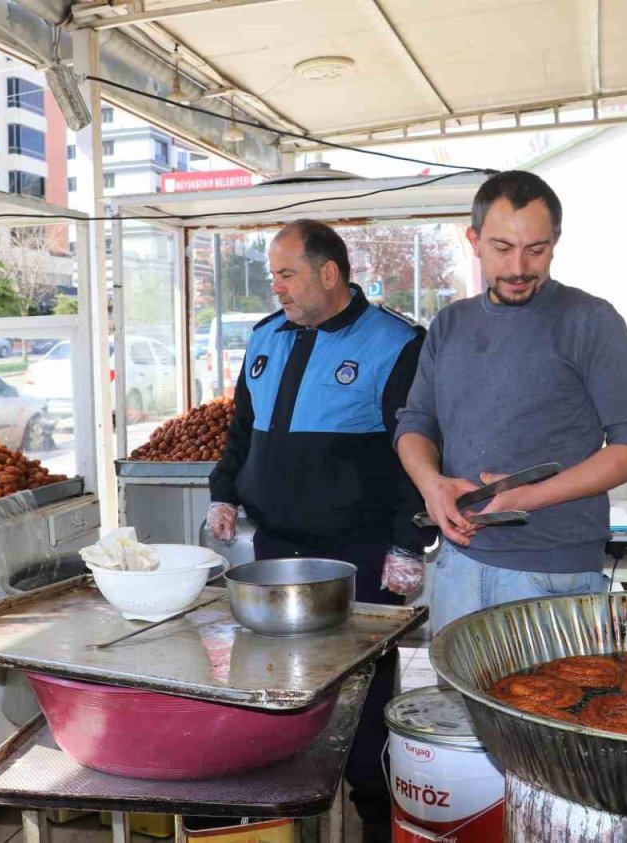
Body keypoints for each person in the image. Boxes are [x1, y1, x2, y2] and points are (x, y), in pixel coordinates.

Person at [208, 219, 430, 842]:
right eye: (273, 275)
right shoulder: (265, 337)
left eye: (287, 274)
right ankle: (287, 808)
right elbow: (243, 431)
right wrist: (224, 492)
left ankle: (376, 814)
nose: (275, 287)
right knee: (278, 681)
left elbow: (418, 450)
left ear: (329, 273)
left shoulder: (395, 343)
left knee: (363, 691)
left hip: (360, 554)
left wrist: (408, 543)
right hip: (277, 548)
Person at [393, 170, 627, 634]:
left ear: (555, 241)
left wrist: (528, 497)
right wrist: (431, 484)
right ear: (474, 240)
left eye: (535, 249)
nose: (518, 267)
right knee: (455, 685)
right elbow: (415, 423)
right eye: (502, 248)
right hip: (458, 566)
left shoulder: (591, 321)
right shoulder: (450, 324)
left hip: (553, 573)